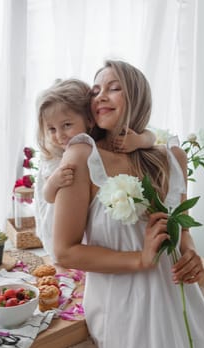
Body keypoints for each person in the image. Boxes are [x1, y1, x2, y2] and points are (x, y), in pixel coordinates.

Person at [52, 60, 204, 348]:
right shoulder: (81, 156)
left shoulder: (173, 158)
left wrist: (190, 252)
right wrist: (139, 260)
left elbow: (183, 229)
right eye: (95, 91)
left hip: (184, 305)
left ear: (138, 98)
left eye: (114, 88)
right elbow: (64, 252)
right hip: (124, 313)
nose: (100, 96)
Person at [34, 78, 156, 264]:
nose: (59, 135)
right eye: (51, 129)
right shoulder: (55, 158)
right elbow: (48, 197)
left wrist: (138, 140)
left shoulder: (96, 147)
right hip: (58, 225)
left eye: (67, 125)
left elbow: (152, 135)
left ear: (89, 121)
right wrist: (53, 183)